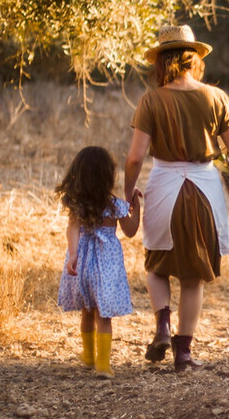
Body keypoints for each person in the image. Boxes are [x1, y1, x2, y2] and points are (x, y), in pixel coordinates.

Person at [124, 24, 229, 372]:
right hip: (204, 188)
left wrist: (127, 192)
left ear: (162, 61)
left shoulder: (151, 100)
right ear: (193, 58)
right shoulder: (215, 97)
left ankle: (163, 326)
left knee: (156, 264)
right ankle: (183, 355)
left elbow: (135, 158)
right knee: (193, 276)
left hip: (164, 184)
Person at [56, 146, 142, 379]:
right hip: (105, 267)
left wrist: (73, 255)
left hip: (83, 265)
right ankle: (103, 364)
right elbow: (131, 230)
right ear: (108, 177)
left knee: (87, 312)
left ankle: (88, 356)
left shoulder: (79, 206)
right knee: (103, 316)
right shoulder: (114, 205)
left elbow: (72, 228)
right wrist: (135, 205)